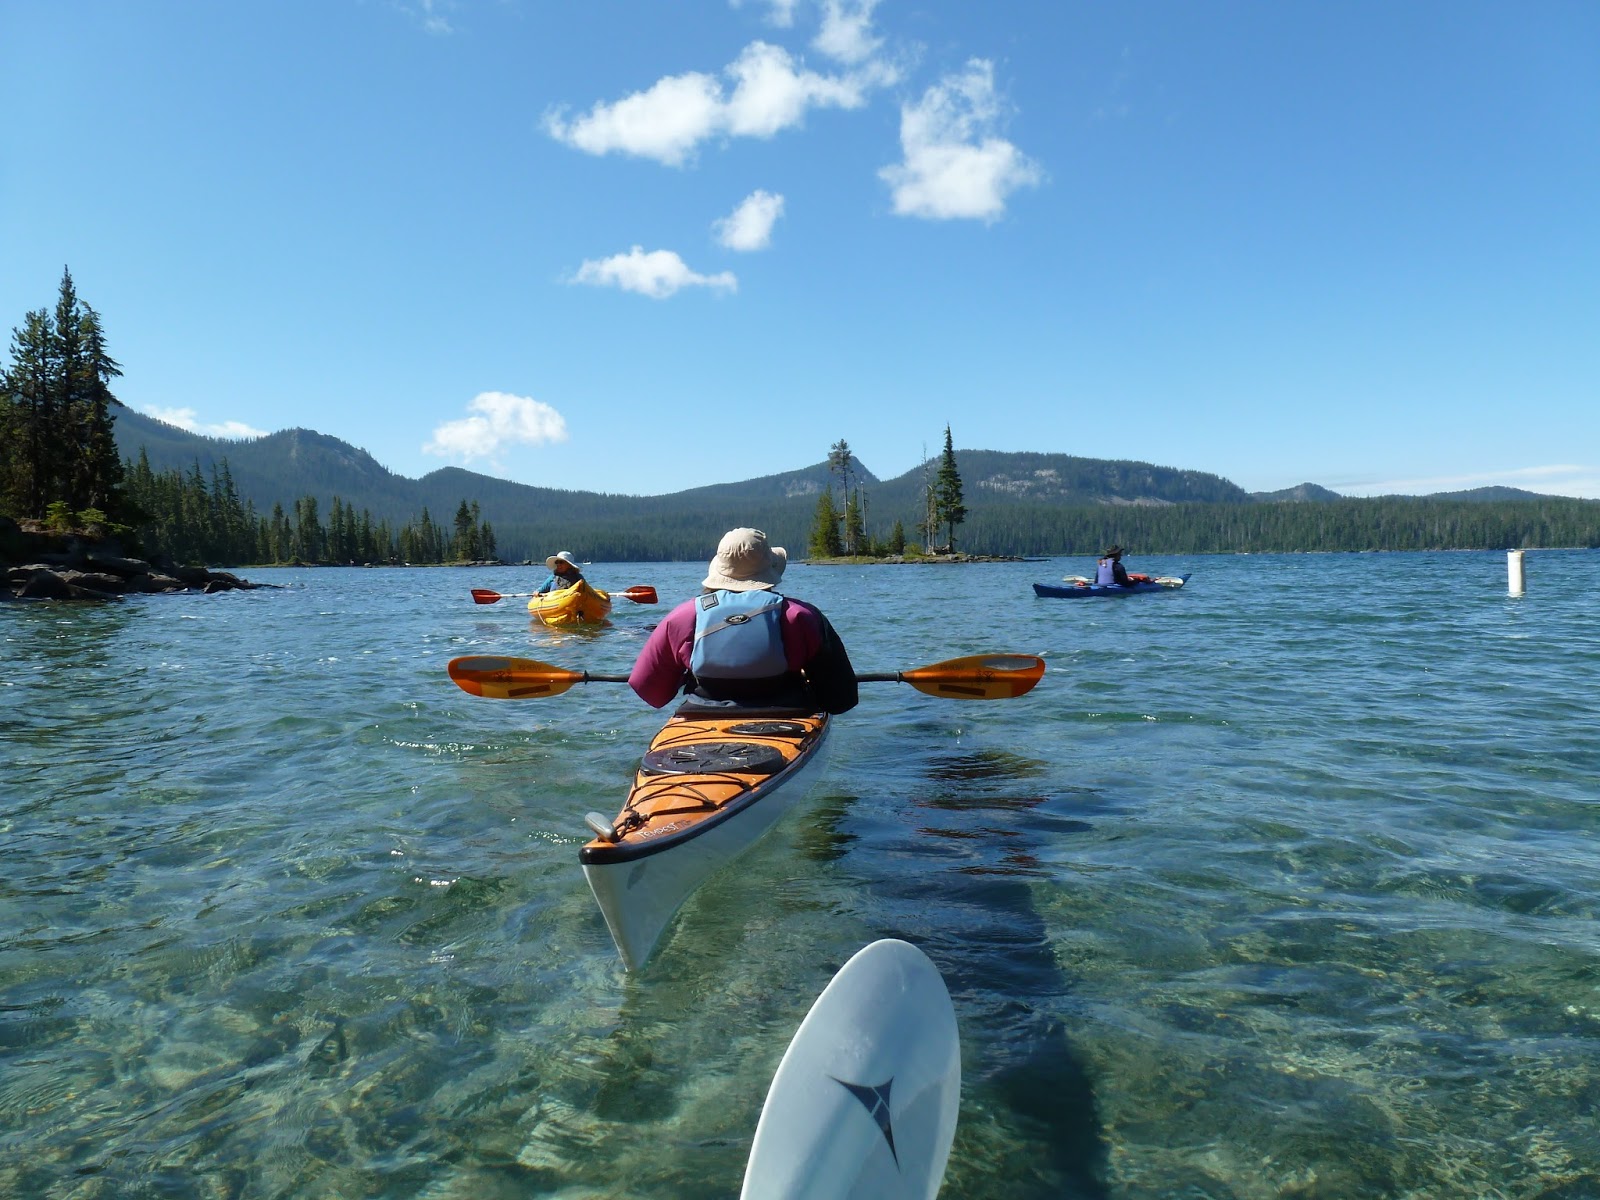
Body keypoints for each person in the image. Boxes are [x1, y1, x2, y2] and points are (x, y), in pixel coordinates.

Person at [628, 528, 858, 714]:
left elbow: (649, 691)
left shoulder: (683, 617)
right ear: (770, 568)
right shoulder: (801, 616)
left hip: (702, 714)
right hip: (786, 713)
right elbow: (841, 699)